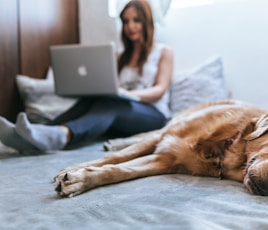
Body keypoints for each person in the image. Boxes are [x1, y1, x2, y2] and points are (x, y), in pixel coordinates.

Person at [0, 0, 173, 151]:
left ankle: (62, 135)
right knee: (93, 101)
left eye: (136, 20)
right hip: (121, 108)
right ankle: (35, 133)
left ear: (147, 22)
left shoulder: (163, 52)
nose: (130, 26)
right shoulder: (119, 56)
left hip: (153, 114)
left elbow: (160, 89)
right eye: (126, 21)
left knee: (110, 104)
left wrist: (127, 95)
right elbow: (108, 84)